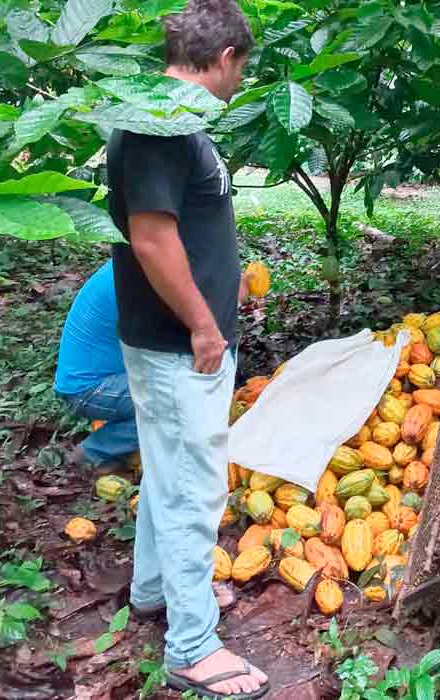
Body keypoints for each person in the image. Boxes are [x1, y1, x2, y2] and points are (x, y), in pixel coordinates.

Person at [106, 1, 265, 698]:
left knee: (167, 477)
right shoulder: (159, 124)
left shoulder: (171, 120)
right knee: (194, 492)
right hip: (179, 348)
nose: (241, 80)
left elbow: (184, 226)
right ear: (228, 57)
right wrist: (205, 325)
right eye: (243, 68)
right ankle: (193, 647)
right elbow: (151, 237)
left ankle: (153, 594)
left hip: (173, 344)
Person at [54, 260, 139, 472]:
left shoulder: (131, 261)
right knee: (177, 400)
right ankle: (94, 452)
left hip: (104, 378)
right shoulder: (143, 276)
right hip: (89, 388)